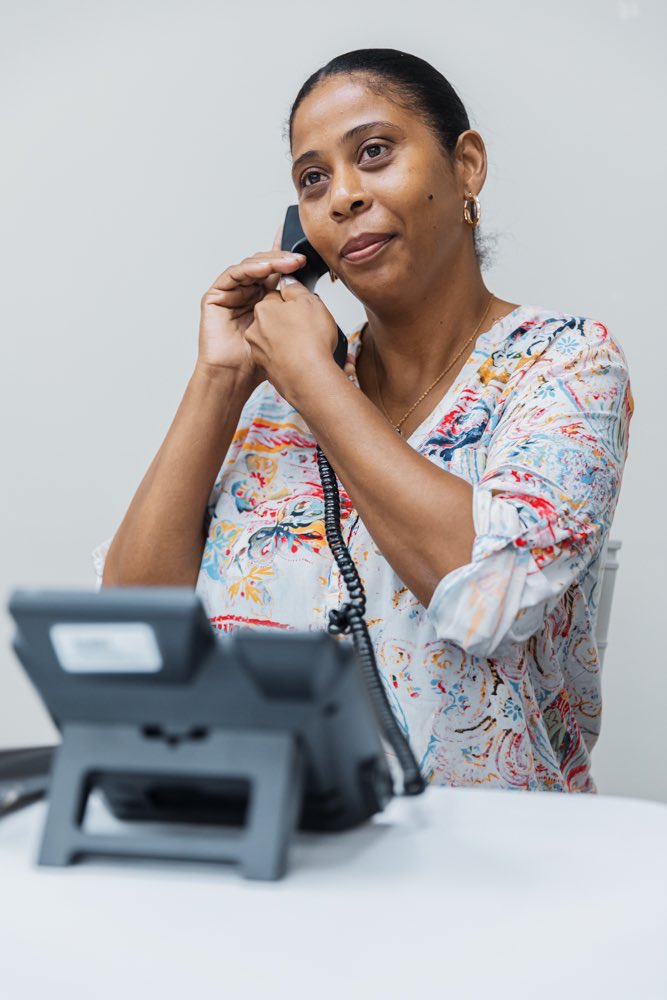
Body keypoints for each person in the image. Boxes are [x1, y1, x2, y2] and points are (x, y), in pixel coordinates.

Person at [94, 48, 633, 792]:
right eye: (312, 179)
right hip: (277, 853)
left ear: (465, 166)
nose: (342, 196)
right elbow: (124, 642)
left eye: (373, 153)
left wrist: (317, 383)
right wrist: (220, 378)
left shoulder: (565, 364)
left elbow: (484, 598)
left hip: (491, 872)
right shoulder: (274, 397)